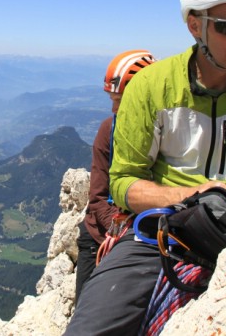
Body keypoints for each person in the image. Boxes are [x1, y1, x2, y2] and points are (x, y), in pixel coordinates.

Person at [65, 0, 226, 335]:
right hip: (162, 233)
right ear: (195, 25)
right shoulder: (152, 87)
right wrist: (196, 195)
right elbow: (123, 183)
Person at [74, 49, 156, 303]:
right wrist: (123, 234)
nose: (113, 107)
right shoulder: (108, 130)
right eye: (112, 98)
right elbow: (98, 197)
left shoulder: (167, 135)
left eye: (119, 99)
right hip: (100, 238)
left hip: (143, 240)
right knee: (86, 312)